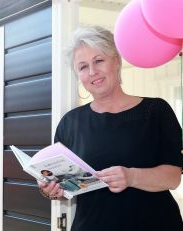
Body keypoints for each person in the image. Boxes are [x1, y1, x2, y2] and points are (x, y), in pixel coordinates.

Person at [38, 26, 183, 231]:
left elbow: (173, 177)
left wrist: (131, 176)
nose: (92, 72)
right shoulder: (70, 123)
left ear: (116, 61)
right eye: (82, 67)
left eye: (99, 60)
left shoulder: (156, 111)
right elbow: (64, 184)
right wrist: (50, 190)